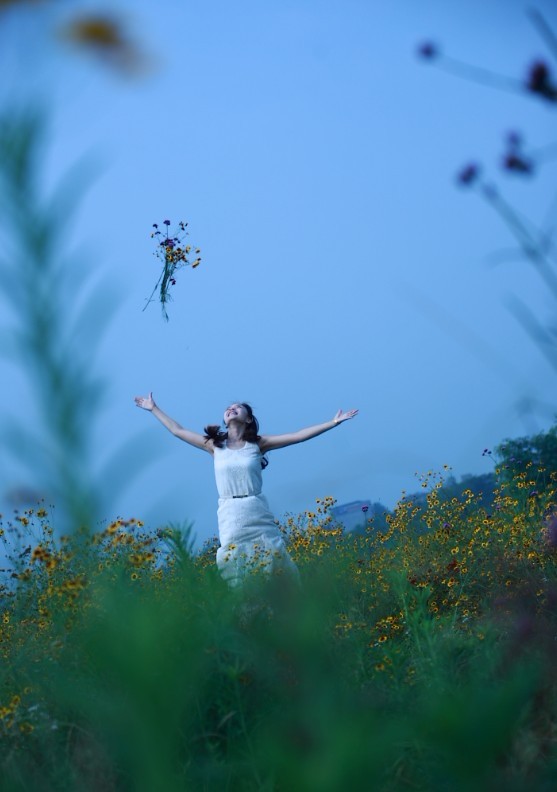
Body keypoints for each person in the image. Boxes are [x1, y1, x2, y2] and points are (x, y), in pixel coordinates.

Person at [133, 394, 358, 586]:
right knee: (233, 562)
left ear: (248, 418)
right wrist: (153, 408)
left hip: (255, 509)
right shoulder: (214, 445)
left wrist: (332, 422)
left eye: (237, 408)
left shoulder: (258, 444)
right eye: (228, 408)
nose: (231, 409)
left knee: (273, 556)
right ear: (224, 418)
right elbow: (177, 430)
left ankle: (284, 605)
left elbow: (298, 436)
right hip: (230, 512)